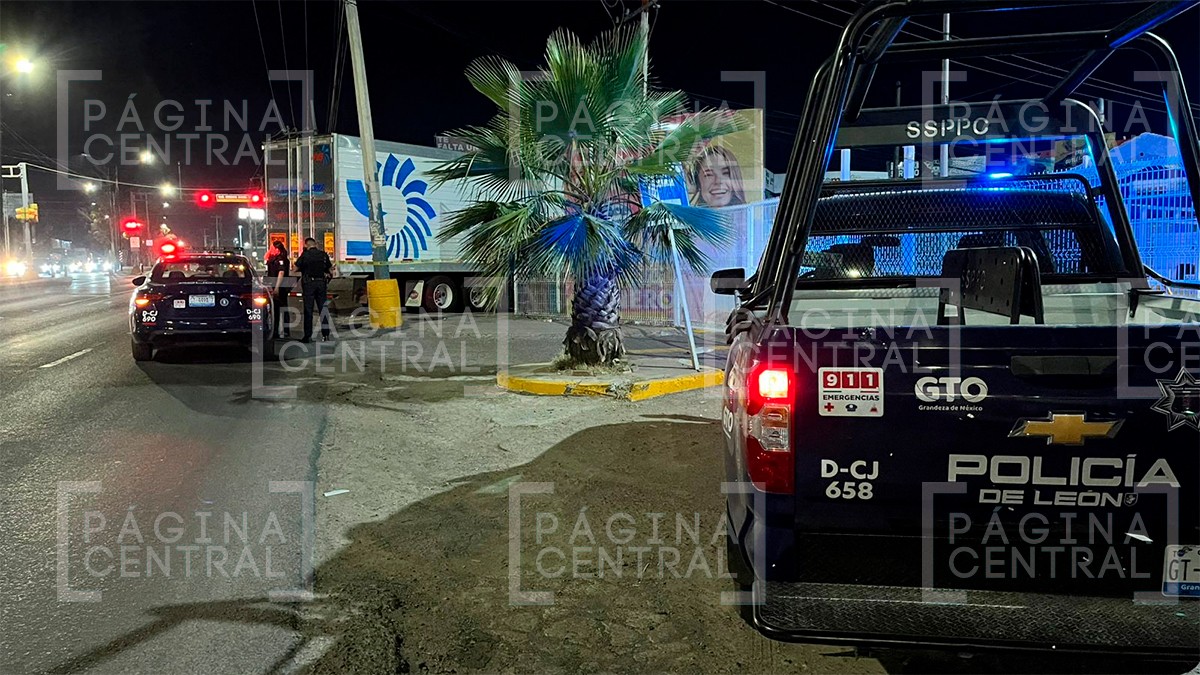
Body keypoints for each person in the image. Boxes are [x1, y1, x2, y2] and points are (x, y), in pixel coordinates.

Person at [295, 237, 333, 342]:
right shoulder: (323, 255)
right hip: (321, 283)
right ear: (315, 244)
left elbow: (295, 269)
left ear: (306, 245)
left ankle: (307, 336)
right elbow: (330, 270)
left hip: (309, 284)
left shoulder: (305, 255)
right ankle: (326, 335)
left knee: (308, 310)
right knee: (323, 309)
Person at [265, 241, 292, 339]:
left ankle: (282, 331)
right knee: (276, 309)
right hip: (275, 285)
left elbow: (281, 273)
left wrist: (276, 288)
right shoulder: (274, 258)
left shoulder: (280, 259)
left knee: (280, 308)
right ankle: (278, 331)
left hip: (279, 287)